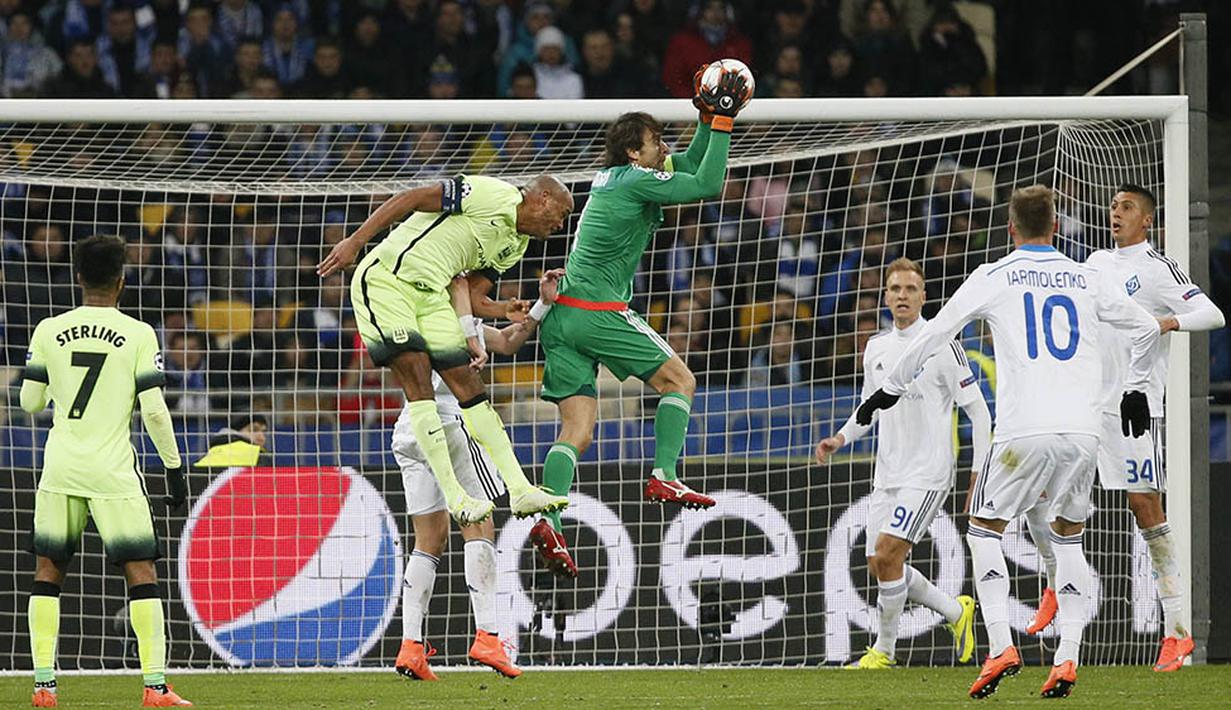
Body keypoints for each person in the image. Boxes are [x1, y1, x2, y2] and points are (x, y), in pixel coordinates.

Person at [855, 185, 1161, 699]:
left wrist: (890, 387)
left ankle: (1000, 643)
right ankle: (1067, 657)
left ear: (1010, 228)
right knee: (1067, 541)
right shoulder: (1087, 275)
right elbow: (1148, 326)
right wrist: (1134, 388)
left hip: (1023, 431)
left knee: (983, 529)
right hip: (1082, 435)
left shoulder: (994, 275)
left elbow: (935, 335)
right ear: (1056, 227)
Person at [529, 66, 749, 577]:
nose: (663, 148)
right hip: (595, 311)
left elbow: (689, 165)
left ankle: (549, 519)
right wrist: (722, 121)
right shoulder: (633, 181)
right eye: (656, 142)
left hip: (561, 319)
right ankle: (665, 474)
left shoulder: (619, 178)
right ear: (634, 151)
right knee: (681, 380)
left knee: (577, 431)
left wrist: (704, 116)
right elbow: (707, 181)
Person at [1022, 184, 1225, 672]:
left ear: (1147, 220)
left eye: (1127, 207)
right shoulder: (1095, 263)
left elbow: (1213, 314)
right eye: (1113, 207)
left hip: (1133, 408)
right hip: (1087, 403)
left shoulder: (1157, 268)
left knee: (1144, 507)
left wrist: (1166, 322)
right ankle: (1053, 585)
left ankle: (1176, 630)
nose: (1116, 213)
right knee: (1055, 502)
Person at [316, 173, 574, 526]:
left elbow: (474, 296)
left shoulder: (515, 245)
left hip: (433, 296)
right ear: (542, 197)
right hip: (388, 281)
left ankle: (520, 490)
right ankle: (456, 497)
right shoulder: (492, 194)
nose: (560, 225)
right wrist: (357, 241)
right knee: (419, 379)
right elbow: (413, 198)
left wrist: (503, 310)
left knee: (470, 387)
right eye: (560, 214)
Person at [20, 235, 192, 708]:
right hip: (113, 470)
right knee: (140, 572)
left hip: (61, 466)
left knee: (47, 572)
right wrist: (174, 471)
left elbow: (30, 401)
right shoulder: (138, 333)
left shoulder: (48, 329)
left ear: (78, 277)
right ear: (122, 279)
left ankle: (43, 685)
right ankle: (155, 687)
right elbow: (155, 412)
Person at [393, 268, 563, 680]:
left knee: (428, 540)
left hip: (409, 430)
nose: (487, 298)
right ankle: (488, 635)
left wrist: (543, 303)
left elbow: (507, 341)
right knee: (479, 524)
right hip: (449, 425)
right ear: (463, 288)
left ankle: (411, 646)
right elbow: (469, 316)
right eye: (481, 291)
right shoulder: (452, 319)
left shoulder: (423, 317)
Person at [816, 257, 984, 669]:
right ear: (885, 297)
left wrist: (978, 472)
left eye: (911, 289)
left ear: (924, 297)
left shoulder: (943, 344)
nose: (903, 296)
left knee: (889, 554)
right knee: (880, 563)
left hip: (928, 473)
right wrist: (840, 437)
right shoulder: (876, 348)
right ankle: (955, 611)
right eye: (895, 289)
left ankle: (884, 651)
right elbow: (867, 408)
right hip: (887, 472)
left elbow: (978, 412)